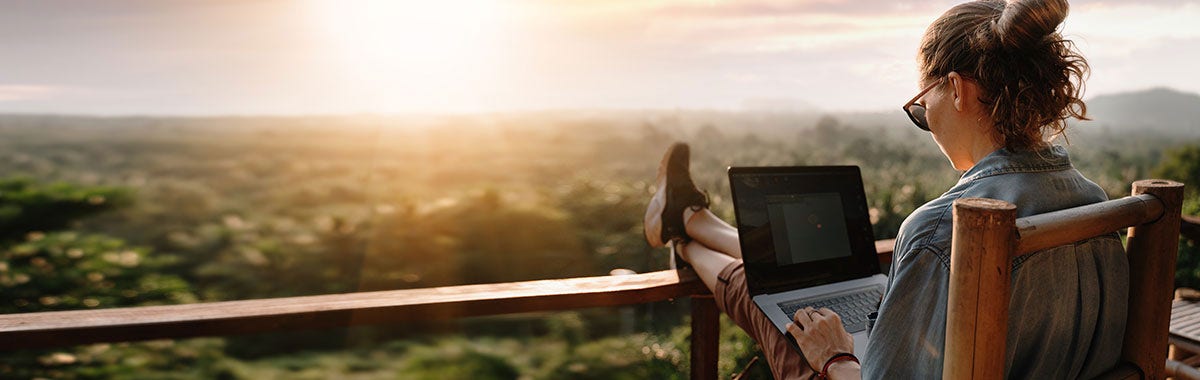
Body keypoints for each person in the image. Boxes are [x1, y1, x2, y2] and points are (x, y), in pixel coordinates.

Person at [642, 0, 1128, 378]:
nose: (927, 122)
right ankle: (689, 220)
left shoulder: (945, 229)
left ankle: (684, 235)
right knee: (791, 280)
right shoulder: (1096, 204)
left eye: (921, 107)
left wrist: (834, 357)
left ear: (956, 90)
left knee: (765, 294)